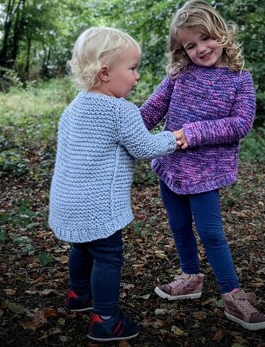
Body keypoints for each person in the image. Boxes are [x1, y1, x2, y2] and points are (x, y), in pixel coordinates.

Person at [140, 0, 265, 331]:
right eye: (190, 45)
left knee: (211, 233)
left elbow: (241, 124)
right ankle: (190, 278)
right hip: (171, 165)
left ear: (221, 33)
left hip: (206, 171)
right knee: (179, 225)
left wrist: (193, 133)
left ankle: (233, 295)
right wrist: (128, 127)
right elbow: (154, 107)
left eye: (206, 39)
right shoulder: (180, 74)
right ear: (181, 50)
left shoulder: (240, 79)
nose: (201, 49)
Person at [49, 27, 180, 342]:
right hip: (97, 204)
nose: (136, 77)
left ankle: (79, 296)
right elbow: (144, 147)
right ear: (105, 72)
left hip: (66, 199)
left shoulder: (73, 108)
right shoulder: (121, 111)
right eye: (132, 68)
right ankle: (106, 319)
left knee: (82, 247)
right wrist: (174, 138)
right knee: (107, 255)